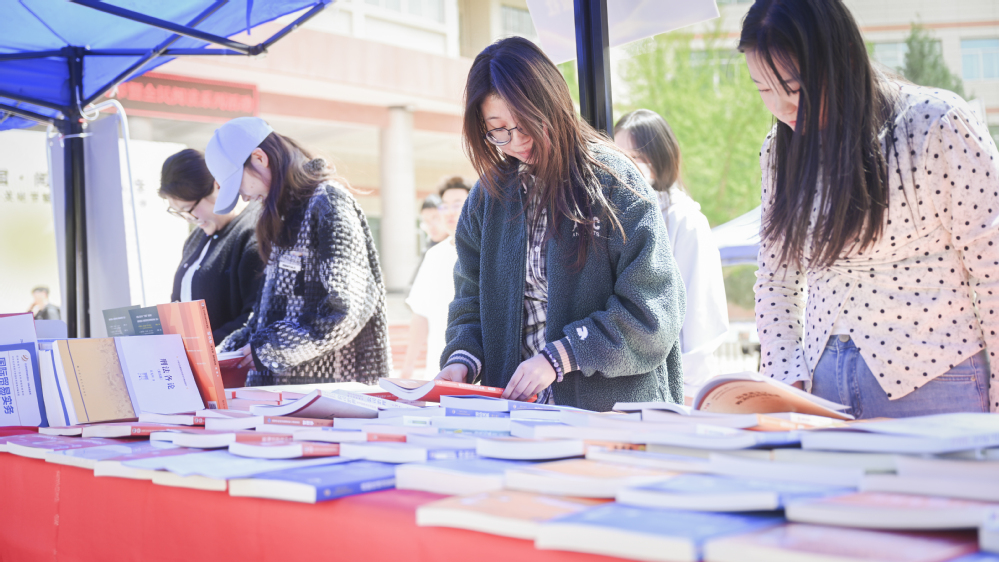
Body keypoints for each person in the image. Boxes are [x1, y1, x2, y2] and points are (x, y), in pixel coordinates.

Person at [742, 0, 999, 417]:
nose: (781, 107)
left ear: (842, 58)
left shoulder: (935, 124)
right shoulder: (779, 152)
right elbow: (775, 279)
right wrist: (785, 375)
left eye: (793, 88)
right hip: (822, 388)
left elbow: (994, 273)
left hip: (936, 381)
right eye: (763, 90)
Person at [436, 37, 687, 411]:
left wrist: (563, 355)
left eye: (525, 123)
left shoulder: (614, 181)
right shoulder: (487, 198)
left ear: (551, 103)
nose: (517, 141)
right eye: (498, 129)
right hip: (517, 411)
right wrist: (461, 358)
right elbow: (470, 299)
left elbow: (653, 311)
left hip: (611, 418)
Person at [207, 117, 391, 385]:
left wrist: (269, 348)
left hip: (329, 396)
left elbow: (345, 310)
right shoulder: (283, 215)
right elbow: (266, 318)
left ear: (259, 157)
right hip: (289, 397)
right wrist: (221, 354)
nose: (243, 197)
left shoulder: (328, 202)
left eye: (239, 184)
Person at [614, 110, 729, 402]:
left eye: (636, 157)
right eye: (618, 156)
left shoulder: (685, 220)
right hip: (627, 386)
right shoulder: (617, 216)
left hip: (674, 390)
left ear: (659, 160)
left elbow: (700, 312)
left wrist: (686, 387)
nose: (625, 166)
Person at [159, 149, 265, 343]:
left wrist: (204, 346)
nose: (189, 218)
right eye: (179, 212)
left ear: (217, 187)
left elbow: (256, 316)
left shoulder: (254, 233)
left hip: (225, 357)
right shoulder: (197, 237)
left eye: (188, 209)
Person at [401, 176, 472, 379]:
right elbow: (420, 314)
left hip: (476, 374)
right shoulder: (433, 255)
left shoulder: (486, 253)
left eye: (457, 204)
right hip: (438, 372)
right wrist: (408, 368)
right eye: (444, 206)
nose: (449, 212)